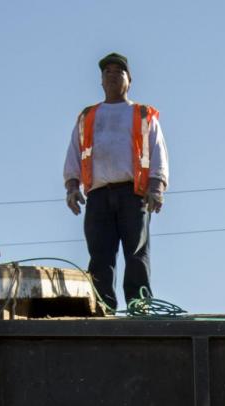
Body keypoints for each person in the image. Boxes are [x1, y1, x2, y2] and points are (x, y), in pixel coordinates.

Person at [63, 52, 169, 311]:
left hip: (134, 195)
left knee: (137, 254)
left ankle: (139, 304)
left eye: (118, 72)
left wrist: (156, 187)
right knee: (100, 256)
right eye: (107, 72)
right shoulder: (88, 117)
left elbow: (158, 152)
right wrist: (72, 187)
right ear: (101, 81)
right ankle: (103, 306)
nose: (112, 75)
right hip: (98, 196)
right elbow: (74, 154)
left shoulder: (142, 114)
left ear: (129, 80)